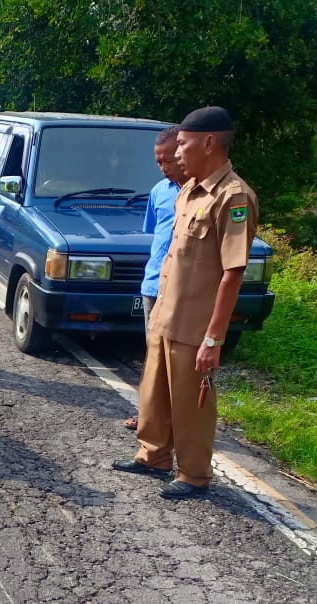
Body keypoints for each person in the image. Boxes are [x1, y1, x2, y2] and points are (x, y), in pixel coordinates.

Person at [112, 106, 258, 499]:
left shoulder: (233, 197)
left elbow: (233, 271)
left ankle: (194, 474)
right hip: (165, 311)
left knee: (192, 402)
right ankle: (154, 456)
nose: (176, 153)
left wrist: (214, 337)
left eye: (183, 145)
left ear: (208, 143)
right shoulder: (188, 189)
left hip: (195, 323)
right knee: (154, 392)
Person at [125, 125, 185, 431]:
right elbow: (156, 235)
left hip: (185, 289)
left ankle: (177, 418)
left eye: (169, 160)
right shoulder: (159, 192)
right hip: (153, 285)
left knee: (179, 357)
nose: (163, 167)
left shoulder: (203, 194)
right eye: (158, 161)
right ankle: (146, 414)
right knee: (153, 354)